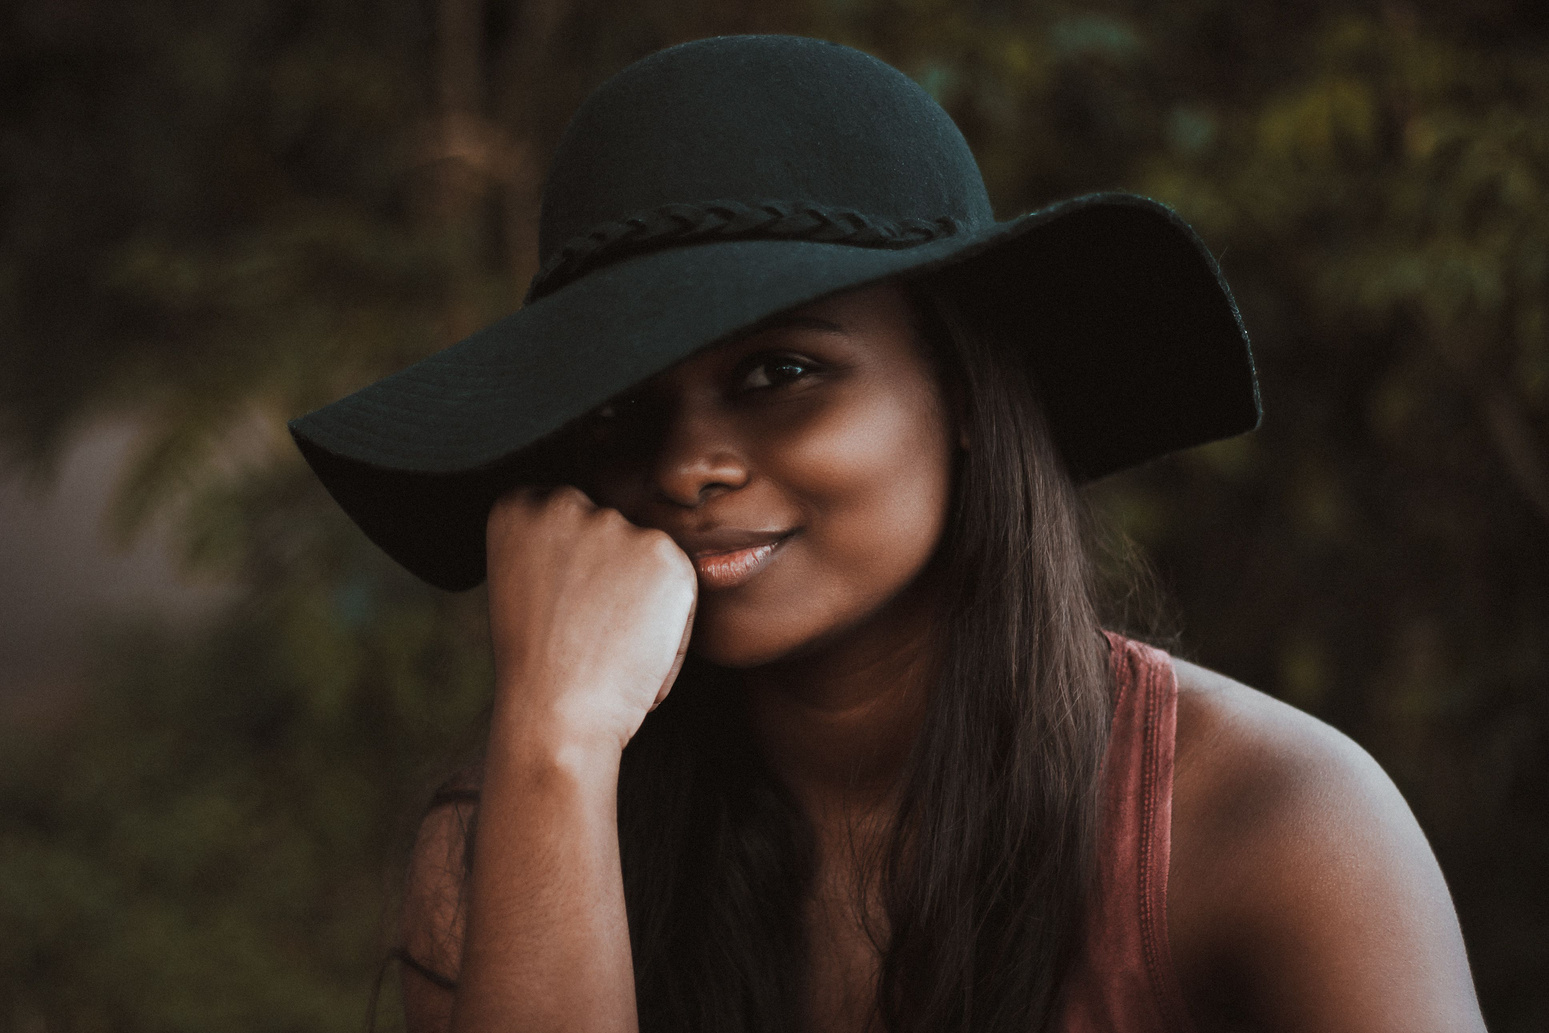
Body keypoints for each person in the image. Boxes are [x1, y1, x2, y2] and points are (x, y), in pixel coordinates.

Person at [291, 35, 1486, 1033]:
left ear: (964, 393)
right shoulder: (514, 837)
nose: (683, 464)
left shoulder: (1278, 832)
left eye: (780, 370)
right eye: (620, 413)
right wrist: (554, 742)